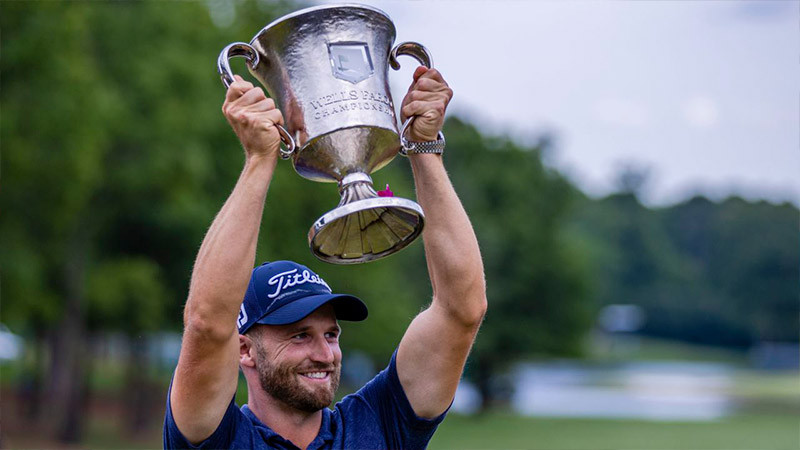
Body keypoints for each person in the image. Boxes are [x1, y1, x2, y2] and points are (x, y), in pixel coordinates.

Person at [163, 66, 487, 449]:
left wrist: (423, 147)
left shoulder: (378, 423)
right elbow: (207, 323)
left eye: (330, 334)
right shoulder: (218, 438)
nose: (325, 354)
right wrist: (260, 159)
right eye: (300, 336)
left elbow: (461, 310)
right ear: (245, 350)